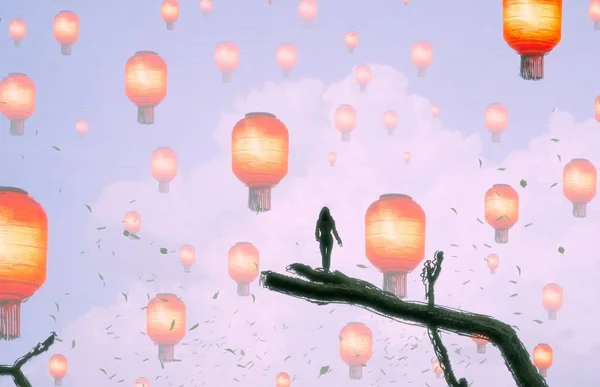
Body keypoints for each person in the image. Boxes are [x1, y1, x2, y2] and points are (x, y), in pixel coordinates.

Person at [315, 206, 343, 273]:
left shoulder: (320, 221)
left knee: (324, 255)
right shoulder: (331, 220)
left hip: (323, 238)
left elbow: (316, 230)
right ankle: (326, 270)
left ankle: (325, 270)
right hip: (329, 238)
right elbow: (334, 231)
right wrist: (338, 240)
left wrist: (317, 237)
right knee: (327, 255)